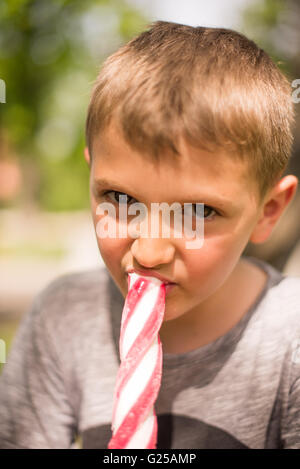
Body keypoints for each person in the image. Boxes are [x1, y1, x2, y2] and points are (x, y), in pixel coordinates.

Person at [0, 20, 299, 449]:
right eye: (120, 200)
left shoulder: (289, 341)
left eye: (197, 211)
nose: (150, 251)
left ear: (268, 211)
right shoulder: (63, 320)